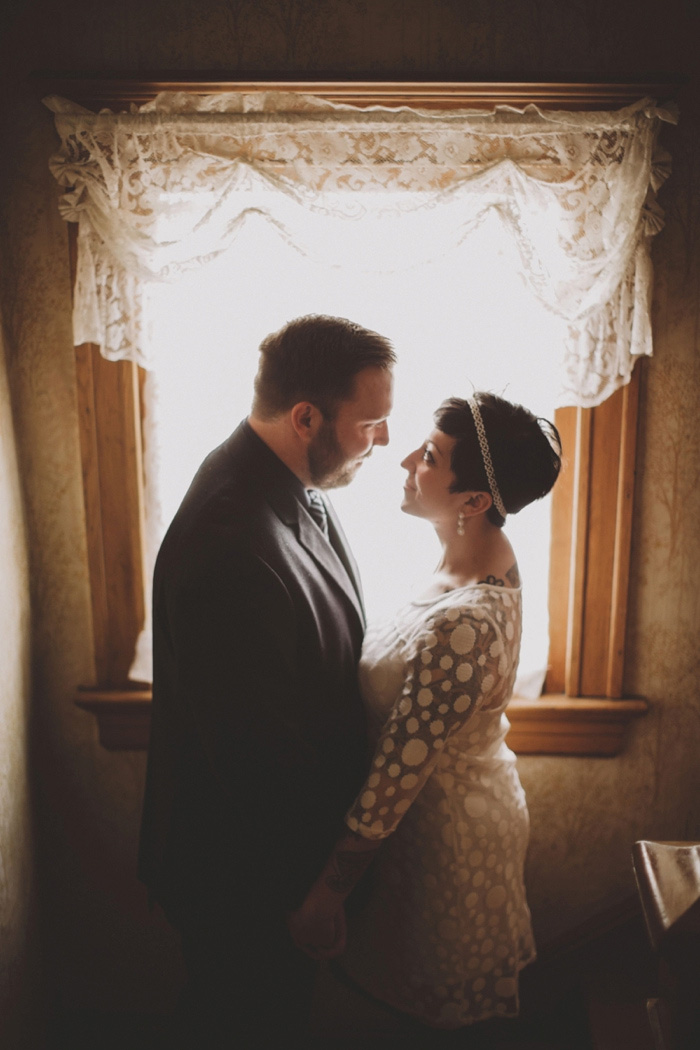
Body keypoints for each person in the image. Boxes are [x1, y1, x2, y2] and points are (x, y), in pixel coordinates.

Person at [138, 314, 395, 1047]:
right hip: (245, 879)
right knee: (242, 1024)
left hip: (269, 866)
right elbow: (252, 759)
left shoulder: (293, 485)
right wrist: (310, 893)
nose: (380, 441)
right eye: (370, 423)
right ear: (306, 416)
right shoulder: (230, 540)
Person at [289, 392, 562, 1038]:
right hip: (426, 820)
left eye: (431, 457)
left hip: (445, 841)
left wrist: (326, 894)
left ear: (474, 502)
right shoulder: (468, 559)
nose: (406, 459)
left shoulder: (465, 626)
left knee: (421, 1019)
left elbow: (394, 780)